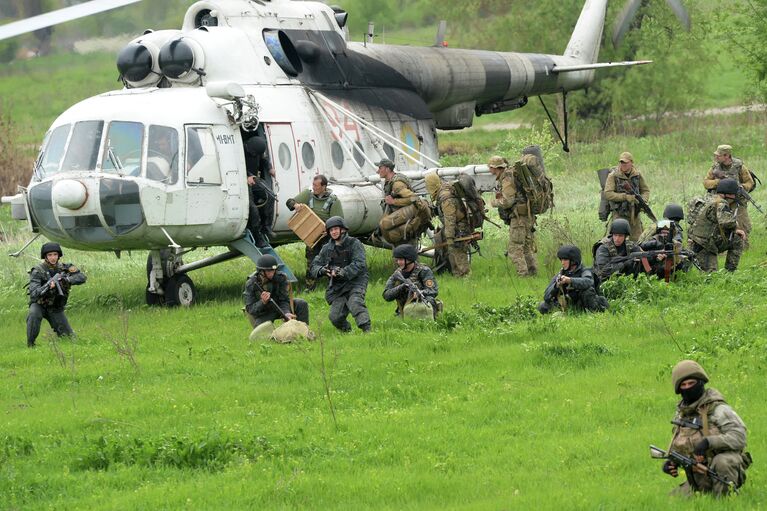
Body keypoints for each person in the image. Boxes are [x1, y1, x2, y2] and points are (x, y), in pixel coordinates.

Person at [662, 360, 751, 496]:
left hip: (722, 469)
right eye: (683, 385)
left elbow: (740, 437)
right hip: (698, 476)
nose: (688, 388)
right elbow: (682, 444)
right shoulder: (682, 413)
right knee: (671, 501)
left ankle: (725, 500)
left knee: (722, 462)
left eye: (691, 383)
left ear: (701, 382)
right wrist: (672, 463)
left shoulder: (717, 409)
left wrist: (709, 442)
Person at [309, 216, 371, 332]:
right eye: (331, 230)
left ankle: (367, 331)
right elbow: (314, 266)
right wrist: (323, 270)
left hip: (356, 281)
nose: (334, 232)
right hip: (338, 286)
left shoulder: (354, 243)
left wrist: (343, 272)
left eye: (336, 229)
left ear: (343, 229)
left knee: (355, 303)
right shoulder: (327, 248)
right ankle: (347, 332)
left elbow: (359, 263)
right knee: (335, 317)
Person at [286, 174, 344, 290]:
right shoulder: (308, 195)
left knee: (330, 260)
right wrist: (296, 205)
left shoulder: (333, 201)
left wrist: (328, 229)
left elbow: (338, 221)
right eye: (313, 185)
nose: (314, 188)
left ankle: (333, 286)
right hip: (311, 236)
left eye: (316, 186)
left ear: (324, 186)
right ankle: (310, 287)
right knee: (311, 261)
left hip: (327, 236)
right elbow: (289, 202)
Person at [26, 242, 87, 348]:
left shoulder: (65, 267)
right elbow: (34, 294)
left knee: (69, 339)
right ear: (45, 256)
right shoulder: (37, 271)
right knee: (34, 314)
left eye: (55, 254)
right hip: (39, 304)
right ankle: (30, 344)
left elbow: (82, 277)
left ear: (58, 255)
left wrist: (66, 280)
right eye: (50, 255)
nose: (53, 257)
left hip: (55, 307)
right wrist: (48, 287)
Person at [488, 154, 537, 276]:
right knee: (525, 247)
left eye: (491, 168)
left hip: (519, 218)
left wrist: (493, 203)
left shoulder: (507, 179)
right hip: (527, 216)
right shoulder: (512, 175)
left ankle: (523, 275)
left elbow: (507, 201)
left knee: (515, 248)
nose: (490, 170)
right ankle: (532, 272)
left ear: (495, 168)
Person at [688, 178, 746, 272]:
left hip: (694, 241)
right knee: (711, 276)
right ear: (728, 194)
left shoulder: (706, 199)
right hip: (705, 246)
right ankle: (730, 272)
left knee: (736, 239)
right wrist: (736, 227)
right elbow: (727, 223)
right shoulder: (721, 204)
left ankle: (729, 273)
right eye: (733, 194)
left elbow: (691, 220)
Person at [703, 144, 754, 242]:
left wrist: (742, 187)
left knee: (742, 223)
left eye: (719, 155)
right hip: (720, 200)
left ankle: (742, 245)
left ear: (726, 156)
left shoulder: (739, 167)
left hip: (737, 200)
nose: (716, 157)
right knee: (719, 223)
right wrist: (718, 182)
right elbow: (706, 183)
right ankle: (721, 245)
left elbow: (749, 182)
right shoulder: (715, 167)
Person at [423, 172, 471, 277]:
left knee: (458, 253)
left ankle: (464, 276)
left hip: (458, 228)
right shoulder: (444, 190)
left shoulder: (446, 198)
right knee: (454, 252)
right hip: (457, 227)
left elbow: (450, 219)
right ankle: (458, 275)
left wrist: (449, 236)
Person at [538, 245, 608, 314]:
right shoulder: (561, 274)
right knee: (543, 306)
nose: (562, 263)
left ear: (573, 261)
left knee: (588, 291)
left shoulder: (585, 271)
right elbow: (546, 297)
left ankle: (593, 312)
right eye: (561, 260)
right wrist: (556, 286)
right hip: (568, 304)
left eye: (565, 260)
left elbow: (588, 281)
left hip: (583, 303)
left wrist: (570, 280)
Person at [243, 254, 309, 327]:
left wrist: (285, 313)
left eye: (273, 270)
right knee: (262, 332)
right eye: (268, 271)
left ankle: (304, 330)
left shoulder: (281, 277)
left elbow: (284, 299)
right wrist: (262, 302)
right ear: (261, 271)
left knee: (301, 303)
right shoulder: (251, 283)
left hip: (279, 306)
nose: (272, 273)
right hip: (264, 312)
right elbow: (250, 309)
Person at [376, 158, 425, 245]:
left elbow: (413, 198)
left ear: (387, 169)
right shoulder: (390, 181)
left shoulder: (397, 184)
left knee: (405, 248)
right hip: (400, 222)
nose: (377, 171)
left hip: (405, 222)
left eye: (380, 168)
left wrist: (394, 202)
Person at [603, 151, 651, 241]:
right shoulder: (613, 176)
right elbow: (608, 194)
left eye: (625, 162)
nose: (623, 164)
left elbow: (645, 190)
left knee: (638, 241)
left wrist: (642, 202)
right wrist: (625, 197)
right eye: (621, 162)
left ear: (631, 163)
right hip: (619, 214)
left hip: (635, 215)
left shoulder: (637, 175)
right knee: (617, 240)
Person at [383, 244, 439, 318]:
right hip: (404, 309)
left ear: (410, 259)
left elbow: (433, 291)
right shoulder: (397, 274)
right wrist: (402, 287)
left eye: (401, 260)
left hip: (422, 306)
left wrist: (420, 293)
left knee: (429, 299)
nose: (398, 262)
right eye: (397, 260)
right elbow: (387, 295)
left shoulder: (424, 271)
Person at [244, 136, 276, 247]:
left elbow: (264, 159)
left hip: (254, 179)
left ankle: (266, 226)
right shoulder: (241, 150)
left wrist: (269, 168)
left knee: (270, 195)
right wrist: (247, 176)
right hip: (242, 181)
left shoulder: (257, 151)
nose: (254, 156)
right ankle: (257, 236)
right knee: (253, 209)